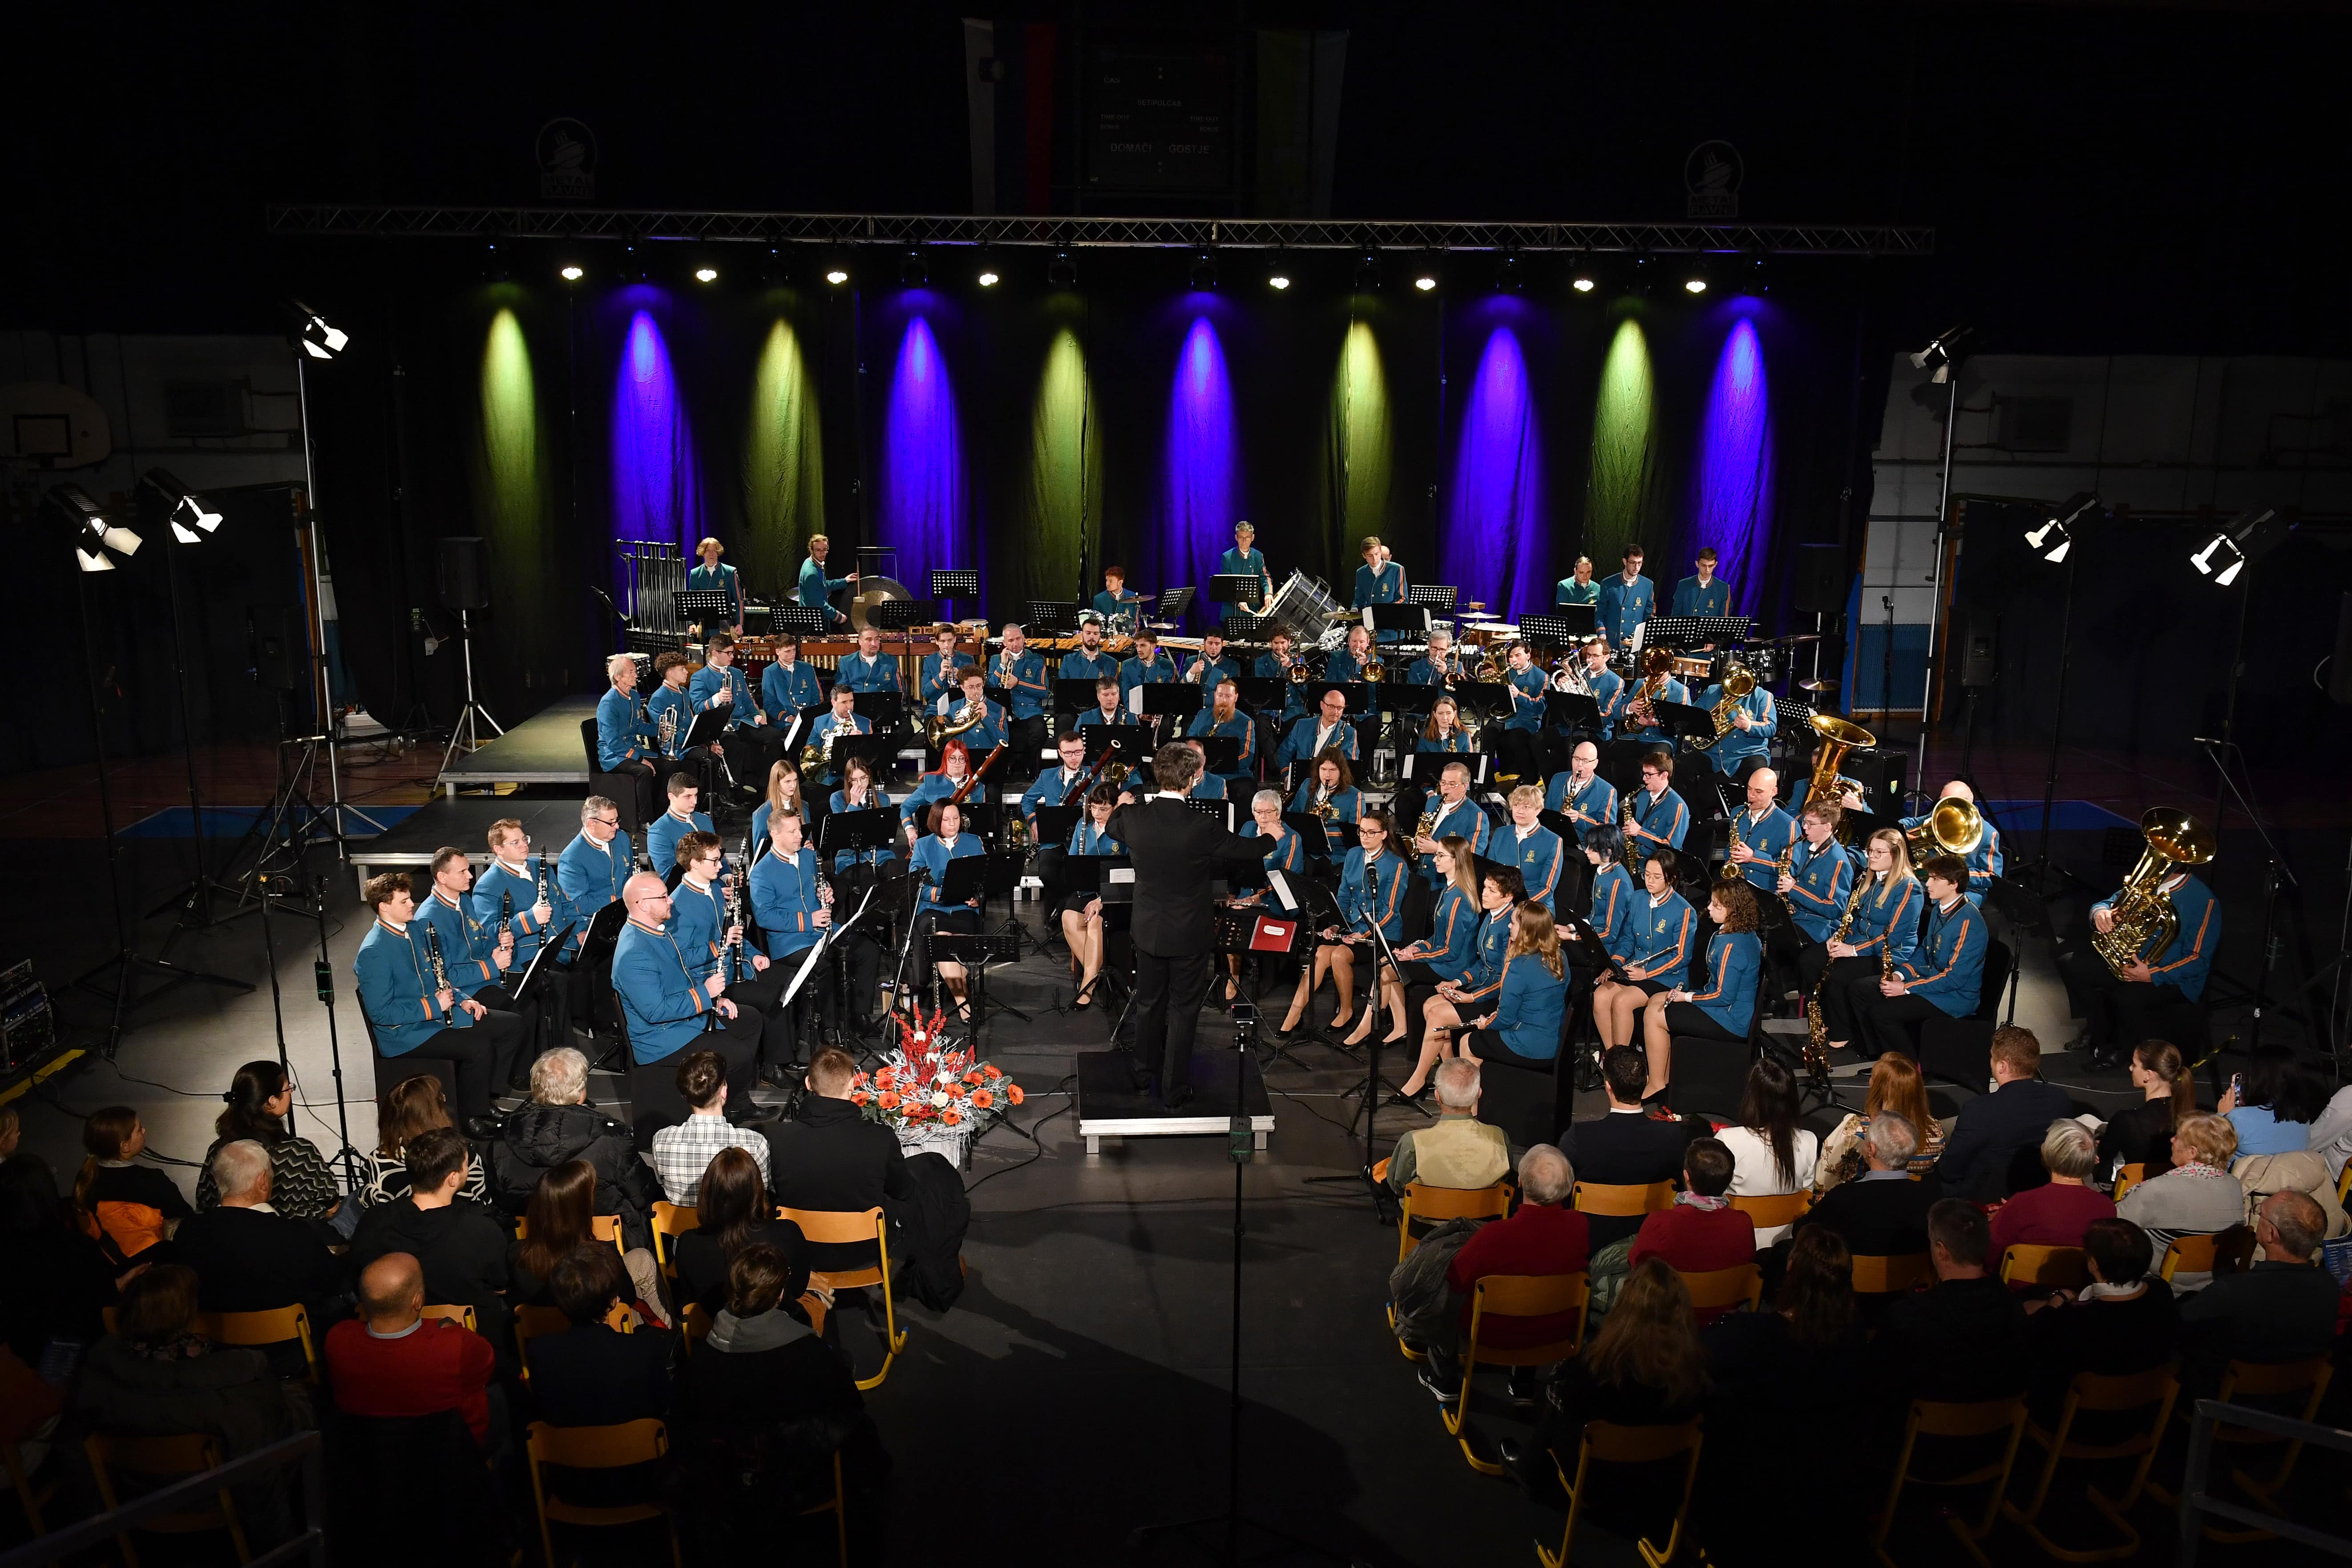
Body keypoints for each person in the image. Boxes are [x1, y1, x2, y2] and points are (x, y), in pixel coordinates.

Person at [673, 1244, 889, 1556]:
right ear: (778, 1296)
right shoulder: (808, 1352)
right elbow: (850, 1408)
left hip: (723, 1486)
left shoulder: (703, 1358)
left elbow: (684, 1420)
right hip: (798, 1482)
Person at [73, 1263, 309, 1546]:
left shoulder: (95, 1378)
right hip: (212, 1499)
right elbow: (260, 1482)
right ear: (187, 1316)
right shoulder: (236, 1392)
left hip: (134, 1500)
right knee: (300, 1402)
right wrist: (279, 1545)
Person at [1105, 744, 1270, 1103]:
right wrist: (1273, 835)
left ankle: (1141, 1072)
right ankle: (1174, 1088)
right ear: (1194, 779)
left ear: (1157, 775)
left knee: (1149, 1003)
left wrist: (1124, 802)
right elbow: (1246, 849)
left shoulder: (1134, 819)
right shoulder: (1200, 825)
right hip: (1190, 934)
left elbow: (1113, 824)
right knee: (1183, 1009)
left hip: (1148, 929)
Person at [1697, 1227, 1869, 1557]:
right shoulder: (1855, 1338)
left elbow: (1698, 1361)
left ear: (1791, 1269)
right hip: (1825, 1505)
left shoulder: (1751, 1336)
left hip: (1749, 1506)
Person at [355, 873, 525, 1131]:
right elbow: (380, 1013)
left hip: (437, 1016)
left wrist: (463, 999)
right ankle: (472, 1117)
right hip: (407, 1034)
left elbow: (437, 976)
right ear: (384, 906)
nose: (412, 904)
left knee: (511, 1025)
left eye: (410, 898)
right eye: (404, 901)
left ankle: (485, 1098)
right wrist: (434, 1007)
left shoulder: (413, 929)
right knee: (479, 1047)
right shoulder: (374, 952)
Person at [1516, 1257, 1705, 1486]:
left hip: (1595, 1482)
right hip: (1659, 1486)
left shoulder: (1598, 1366)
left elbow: (1567, 1403)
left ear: (1626, 1303)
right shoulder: (1695, 1373)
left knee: (1557, 1408)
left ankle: (1528, 1470)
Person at [612, 871, 765, 1146]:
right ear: (643, 905)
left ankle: (734, 1102)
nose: (671, 901)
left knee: (750, 1019)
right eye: (663, 897)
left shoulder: (656, 932)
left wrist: (715, 1001)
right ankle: (717, 1108)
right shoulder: (634, 951)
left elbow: (682, 974)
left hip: (684, 1018)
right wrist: (705, 995)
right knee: (740, 1056)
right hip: (662, 1037)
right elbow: (655, 1012)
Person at [1423, 1145, 1588, 1398]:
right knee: (1540, 1294)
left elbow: (1455, 1280)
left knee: (1441, 1293)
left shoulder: (1494, 1236)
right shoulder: (1580, 1227)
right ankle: (1523, 1384)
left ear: (1520, 1182)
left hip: (1489, 1335)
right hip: (1552, 1335)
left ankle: (1443, 1378)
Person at [347, 1128, 515, 1360]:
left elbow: (358, 1276)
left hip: (390, 1349)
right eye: (466, 1165)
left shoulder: (374, 1220)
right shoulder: (481, 1230)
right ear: (453, 1178)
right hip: (465, 1347)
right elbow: (500, 1284)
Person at [2061, 846, 2219, 1067]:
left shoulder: (2204, 901)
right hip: (2130, 962)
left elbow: (2198, 959)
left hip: (2171, 977)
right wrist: (2100, 914)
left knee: (2126, 998)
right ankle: (2098, 1030)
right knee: (2070, 964)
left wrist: (2152, 975)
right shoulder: (2147, 883)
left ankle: (2123, 1052)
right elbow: (2108, 903)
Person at [326, 1250, 497, 1451]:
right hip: (451, 1461)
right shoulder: (457, 1346)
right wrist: (451, 1331)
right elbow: (487, 1365)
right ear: (417, 1301)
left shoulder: (337, 1340)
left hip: (369, 1461)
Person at [487, 1047, 659, 1247]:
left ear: (536, 1090)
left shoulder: (502, 1139)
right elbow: (643, 1194)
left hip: (532, 1244)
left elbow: (500, 1201)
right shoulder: (613, 1138)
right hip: (605, 1244)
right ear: (581, 1094)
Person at [764, 1047, 917, 1271]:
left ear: (808, 1084)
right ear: (853, 1084)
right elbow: (903, 1191)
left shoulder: (780, 1138)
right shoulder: (879, 1138)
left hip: (798, 1251)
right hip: (865, 1251)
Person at [2020, 1218, 2181, 1430]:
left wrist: (2058, 1300)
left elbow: (2034, 1334)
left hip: (2079, 1425)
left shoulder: (2074, 1323)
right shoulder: (2162, 1295)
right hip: (2141, 1420)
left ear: (2093, 1263)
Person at [1871, 1199, 2029, 1404]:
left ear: (1940, 1250)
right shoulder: (2014, 1310)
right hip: (1999, 1431)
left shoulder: (1910, 1316)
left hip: (1920, 1432)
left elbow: (1876, 1377)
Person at [2177, 1191, 2337, 1391]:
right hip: (2294, 1402)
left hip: (2223, 1403)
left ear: (2271, 1234)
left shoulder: (2232, 1291)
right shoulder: (2330, 1287)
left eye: (2261, 1213)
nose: (2257, 1217)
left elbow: (2179, 1324)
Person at [166, 1140, 340, 1317]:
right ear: (263, 1180)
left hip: (211, 1340)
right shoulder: (295, 1234)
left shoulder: (187, 1232)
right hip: (289, 1340)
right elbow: (334, 1283)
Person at [672, 829, 796, 1075]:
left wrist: (754, 954)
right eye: (715, 861)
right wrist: (720, 945)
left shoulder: (715, 891)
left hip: (737, 966)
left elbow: (735, 934)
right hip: (712, 979)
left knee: (789, 980)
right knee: (774, 997)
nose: (721, 866)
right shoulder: (679, 904)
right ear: (695, 863)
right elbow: (682, 958)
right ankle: (772, 1068)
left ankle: (783, 1055)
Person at [1560, 1047, 1705, 1251]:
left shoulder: (1580, 1137)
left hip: (1590, 1243)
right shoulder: (1672, 1137)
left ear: (1607, 1086)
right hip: (1651, 1243)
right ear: (1646, 1080)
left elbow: (1558, 1193)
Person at [525, 1244, 675, 1433]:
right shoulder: (642, 1348)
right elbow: (662, 1404)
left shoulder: (538, 1352)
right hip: (635, 1453)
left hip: (568, 1456)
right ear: (613, 1301)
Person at [1853, 853, 1988, 1060]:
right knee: (1861, 989)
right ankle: (1879, 1056)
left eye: (1935, 879)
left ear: (1953, 884)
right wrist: (1900, 975)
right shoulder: (1940, 909)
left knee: (1882, 1013)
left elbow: (1954, 978)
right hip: (1930, 981)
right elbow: (1925, 951)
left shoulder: (1968, 922)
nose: (1928, 883)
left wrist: (1905, 989)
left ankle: (1910, 1067)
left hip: (1954, 997)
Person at [1645, 879, 1762, 1096]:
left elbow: (1723, 996)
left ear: (1733, 911)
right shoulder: (1733, 934)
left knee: (1654, 1015)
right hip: (1720, 1005)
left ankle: (1657, 1083)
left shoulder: (1733, 946)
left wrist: (1686, 997)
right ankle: (1665, 1075)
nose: (1709, 908)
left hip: (1730, 1019)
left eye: (1717, 905)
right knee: (1656, 999)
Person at [509, 1160, 663, 1321]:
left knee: (642, 1258)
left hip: (547, 1336)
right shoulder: (603, 1257)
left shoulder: (516, 1254)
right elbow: (628, 1297)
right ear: (579, 1213)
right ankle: (670, 1339)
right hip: (596, 1327)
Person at [1409, 864, 1523, 1080]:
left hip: (1496, 997)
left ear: (1508, 897)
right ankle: (1451, 1070)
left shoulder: (1510, 925)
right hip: (1480, 987)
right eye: (1485, 887)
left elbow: (1506, 979)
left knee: (1437, 1015)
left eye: (1492, 890)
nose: (1484, 893)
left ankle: (1419, 1079)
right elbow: (1481, 964)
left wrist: (1471, 997)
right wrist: (1457, 983)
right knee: (1429, 1005)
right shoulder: (1490, 917)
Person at [195, 1059, 344, 1224]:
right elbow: (331, 1205)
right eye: (288, 1089)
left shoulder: (218, 1150)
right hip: (294, 1239)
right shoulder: (298, 1151)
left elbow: (204, 1202)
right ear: (272, 1101)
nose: (291, 1093)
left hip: (227, 1236)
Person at [1590, 850, 1696, 1082]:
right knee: (1601, 995)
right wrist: (1615, 964)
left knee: (1622, 1001)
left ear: (1670, 879)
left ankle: (1625, 1068)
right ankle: (1613, 1060)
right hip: (1635, 969)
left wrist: (1647, 973)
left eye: (1657, 877)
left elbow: (1681, 957)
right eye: (1647, 875)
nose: (1650, 880)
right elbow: (1628, 938)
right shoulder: (1638, 898)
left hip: (1665, 977)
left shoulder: (1684, 910)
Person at [1935, 1026, 2074, 1201]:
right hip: (2042, 1187)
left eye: (1992, 1059)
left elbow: (1952, 1168)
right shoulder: (2060, 1099)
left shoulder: (1980, 1109)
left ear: (2002, 1066)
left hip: (1989, 1195)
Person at [746, 813, 846, 1053]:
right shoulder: (762, 872)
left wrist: (827, 893)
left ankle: (854, 1020)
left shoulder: (810, 857)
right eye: (792, 832)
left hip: (822, 932)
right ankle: (828, 1029)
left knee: (864, 947)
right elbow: (765, 916)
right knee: (825, 961)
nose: (800, 836)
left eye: (799, 830)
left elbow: (817, 888)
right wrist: (807, 921)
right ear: (775, 835)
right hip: (789, 943)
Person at [671, 1145, 808, 1318]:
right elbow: (799, 1289)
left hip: (716, 1331)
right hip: (779, 1326)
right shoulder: (788, 1233)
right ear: (757, 1190)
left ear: (708, 1194)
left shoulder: (687, 1243)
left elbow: (691, 1295)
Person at [1818, 828, 1923, 1055]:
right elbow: (1857, 920)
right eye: (1870, 851)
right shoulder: (1873, 881)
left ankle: (1845, 1033)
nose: (1872, 857)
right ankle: (1839, 1025)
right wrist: (1839, 939)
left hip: (1891, 955)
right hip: (1866, 946)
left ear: (1895, 856)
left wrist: (1853, 950)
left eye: (1878, 852)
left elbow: (1893, 938)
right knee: (1821, 962)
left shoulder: (1908, 887)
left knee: (1838, 975)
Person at [472, 817, 568, 1061]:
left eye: (524, 839)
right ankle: (551, 1061)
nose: (524, 845)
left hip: (556, 946)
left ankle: (566, 1056)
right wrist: (530, 919)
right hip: (523, 958)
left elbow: (562, 903)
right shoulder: (488, 885)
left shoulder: (539, 867)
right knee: (556, 986)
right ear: (498, 850)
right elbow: (489, 931)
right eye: (515, 842)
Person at [1629, 1138, 1757, 1323]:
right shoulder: (1743, 1223)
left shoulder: (1661, 1222)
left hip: (1668, 1320)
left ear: (1687, 1176)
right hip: (1722, 1320)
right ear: (1730, 1178)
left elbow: (1637, 1268)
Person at [1, 1154, 114, 1362]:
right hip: (78, 1355)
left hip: (21, 1354)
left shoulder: (10, 1252)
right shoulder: (74, 1245)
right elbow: (105, 1293)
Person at [2115, 1111, 2245, 1284]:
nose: (2172, 1140)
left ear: (2192, 1153)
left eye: (2178, 1137)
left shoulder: (2158, 1189)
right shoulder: (2235, 1185)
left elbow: (2116, 1228)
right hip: (2220, 1279)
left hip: (2164, 1283)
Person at [1790, 1112, 1938, 1257]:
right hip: (1913, 1281)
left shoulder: (1843, 1198)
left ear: (1870, 1150)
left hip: (1854, 1280)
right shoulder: (1932, 1201)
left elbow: (1802, 1231)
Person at [1322, 810, 1411, 1049]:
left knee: (1340, 954)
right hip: (1354, 929)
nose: (1365, 837)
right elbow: (1343, 895)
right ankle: (1345, 1010)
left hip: (1384, 934)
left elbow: (1391, 911)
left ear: (1384, 835)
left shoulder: (1396, 865)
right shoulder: (1353, 855)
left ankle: (1360, 1022)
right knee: (1326, 952)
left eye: (1371, 833)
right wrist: (1336, 924)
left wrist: (1363, 934)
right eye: (1362, 831)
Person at [1453, 899, 1569, 1074]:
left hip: (1526, 1046)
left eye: (1513, 923)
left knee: (1467, 1042)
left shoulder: (1518, 966)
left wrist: (1486, 1024)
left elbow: (1506, 1019)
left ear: (1526, 931)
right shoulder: (1561, 957)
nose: (1509, 927)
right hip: (1555, 1045)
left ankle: (1471, 1099)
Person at [1716, 1056, 1818, 1244]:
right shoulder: (1809, 1142)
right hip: (1786, 1247)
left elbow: (1713, 1200)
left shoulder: (1728, 1140)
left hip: (1735, 1245)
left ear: (1751, 1097)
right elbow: (1807, 1200)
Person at [651, 1049, 773, 1206]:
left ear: (685, 1095)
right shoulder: (755, 1144)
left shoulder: (662, 1141)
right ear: (724, 1092)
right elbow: (762, 1193)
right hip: (736, 1229)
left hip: (680, 1229)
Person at [1988, 1120, 2117, 1265]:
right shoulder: (2107, 1208)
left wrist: (2004, 1216)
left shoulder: (2022, 1203)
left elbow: (1989, 1255)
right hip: (2083, 1285)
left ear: (2047, 1156)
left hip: (2021, 1287)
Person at [1815, 1051, 1947, 1190]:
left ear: (1879, 1089)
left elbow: (1824, 1181)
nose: (1869, 1082)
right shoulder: (1935, 1131)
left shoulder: (1855, 1130)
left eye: (1873, 1078)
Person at [360, 1074, 489, 1211]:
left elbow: (370, 1205)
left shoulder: (378, 1160)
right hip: (458, 1229)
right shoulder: (461, 1154)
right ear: (433, 1112)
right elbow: (480, 1202)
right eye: (441, 1099)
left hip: (396, 1230)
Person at [907, 797, 986, 1018]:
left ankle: (963, 998)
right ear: (936, 822)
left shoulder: (973, 842)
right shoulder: (923, 845)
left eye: (956, 818)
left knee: (958, 945)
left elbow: (985, 877)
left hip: (964, 909)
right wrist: (937, 894)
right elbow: (915, 884)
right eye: (947, 820)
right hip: (933, 910)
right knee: (942, 940)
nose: (953, 824)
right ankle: (964, 1004)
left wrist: (979, 897)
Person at [1383, 1059, 1509, 1192]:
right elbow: (1505, 1179)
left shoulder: (1414, 1143)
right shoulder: (1499, 1138)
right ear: (1479, 1094)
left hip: (1427, 1212)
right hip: (1486, 1212)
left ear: (1437, 1096)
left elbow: (1398, 1185)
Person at [1060, 784, 1124, 1008]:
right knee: (1069, 917)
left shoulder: (1123, 828)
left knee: (1095, 921)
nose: (1096, 814)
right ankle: (1097, 972)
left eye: (1103, 809)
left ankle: (1087, 985)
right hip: (1086, 889)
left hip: (1113, 893)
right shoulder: (1083, 825)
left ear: (1115, 807)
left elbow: (1128, 871)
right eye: (1094, 808)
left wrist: (1102, 899)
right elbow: (1073, 861)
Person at [690, 629, 780, 787]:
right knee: (734, 746)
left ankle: (764, 782)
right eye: (729, 653)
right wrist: (716, 699)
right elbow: (698, 708)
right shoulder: (700, 677)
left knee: (775, 737)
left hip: (741, 721)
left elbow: (746, 699)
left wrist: (756, 715)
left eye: (733, 653)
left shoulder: (736, 673)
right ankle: (729, 792)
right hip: (719, 728)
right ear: (715, 653)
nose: (733, 657)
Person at [1779, 800, 1854, 989]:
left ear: (1828, 827)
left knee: (1774, 941)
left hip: (1819, 927)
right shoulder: (1806, 846)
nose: (1804, 828)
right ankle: (1775, 994)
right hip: (1797, 917)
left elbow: (1835, 909)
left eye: (1810, 824)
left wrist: (1794, 889)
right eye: (1804, 822)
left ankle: (1779, 997)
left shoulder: (1838, 862)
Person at [554, 795, 635, 963]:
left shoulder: (621, 838)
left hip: (628, 917)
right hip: (598, 928)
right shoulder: (572, 858)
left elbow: (629, 876)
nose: (617, 826)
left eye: (617, 819)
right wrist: (623, 899)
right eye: (611, 822)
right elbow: (580, 904)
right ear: (592, 823)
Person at [2098, 1038, 2193, 1181]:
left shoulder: (2127, 1120)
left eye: (2135, 1065)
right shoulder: (2189, 1116)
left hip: (2135, 1188)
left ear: (2148, 1076)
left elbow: (2104, 1155)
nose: (2130, 1068)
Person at [1898, 779, 2002, 905]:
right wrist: (1899, 828)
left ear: (1965, 805)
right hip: (1930, 883)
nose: (1942, 806)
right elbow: (1915, 823)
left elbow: (1992, 876)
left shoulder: (1988, 833)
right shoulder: (1942, 812)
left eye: (1948, 802)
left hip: (1964, 890)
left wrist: (1956, 874)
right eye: (1941, 801)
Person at [2217, 1043, 2327, 1156]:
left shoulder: (2238, 1118)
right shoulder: (2302, 1118)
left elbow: (2211, 1150)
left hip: (2243, 1173)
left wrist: (2222, 1116)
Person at [646, 650, 721, 804]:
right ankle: (700, 803)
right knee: (710, 759)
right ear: (671, 673)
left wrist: (707, 743)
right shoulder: (659, 697)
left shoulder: (684, 692)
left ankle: (709, 800)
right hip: (675, 747)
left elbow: (692, 722)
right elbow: (663, 731)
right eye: (682, 669)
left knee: (713, 756)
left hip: (688, 743)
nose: (687, 672)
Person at [595, 652, 661, 824]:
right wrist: (640, 759)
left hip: (631, 749)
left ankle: (660, 812)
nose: (636, 675)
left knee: (665, 764)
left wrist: (661, 730)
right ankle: (645, 820)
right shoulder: (609, 702)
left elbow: (639, 726)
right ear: (618, 677)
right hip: (613, 756)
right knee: (644, 770)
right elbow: (613, 742)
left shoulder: (635, 696)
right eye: (631, 672)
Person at [1721, 768, 1795, 895]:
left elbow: (1790, 869)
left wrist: (1753, 858)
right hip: (1737, 887)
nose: (1751, 796)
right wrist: (1730, 858)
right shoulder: (1738, 813)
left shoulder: (1788, 824)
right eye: (1749, 789)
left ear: (1774, 792)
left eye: (1759, 792)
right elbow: (1730, 847)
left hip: (1766, 893)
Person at [990, 622, 1050, 778]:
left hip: (1030, 711)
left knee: (1040, 732)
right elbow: (991, 687)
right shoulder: (996, 660)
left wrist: (1019, 684)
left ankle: (1026, 763)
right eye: (1010, 641)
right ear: (1004, 642)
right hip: (1005, 711)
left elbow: (1044, 692)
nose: (1015, 644)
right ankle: (1007, 766)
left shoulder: (1036, 660)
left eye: (1018, 639)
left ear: (1024, 639)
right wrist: (1002, 665)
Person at [828, 752, 900, 883]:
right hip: (851, 857)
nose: (860, 784)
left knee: (896, 875)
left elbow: (888, 838)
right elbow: (844, 835)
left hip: (880, 855)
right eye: (854, 780)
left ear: (869, 778)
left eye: (863, 778)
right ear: (848, 781)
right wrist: (854, 803)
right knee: (867, 880)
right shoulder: (837, 798)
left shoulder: (883, 799)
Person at [1494, 783, 1564, 911]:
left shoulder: (1553, 841)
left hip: (1535, 909)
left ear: (1538, 810)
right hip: (1500, 904)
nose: (1520, 811)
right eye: (1516, 805)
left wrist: (1520, 908)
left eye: (1526, 807)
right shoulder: (1500, 833)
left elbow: (1547, 888)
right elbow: (1490, 874)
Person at [1287, 748, 1362, 858]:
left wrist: (1319, 834)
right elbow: (1292, 815)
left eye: (1332, 770)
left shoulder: (1355, 796)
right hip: (1305, 853)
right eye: (1323, 769)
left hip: (1336, 856)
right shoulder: (1306, 786)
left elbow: (1356, 835)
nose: (1327, 775)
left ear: (1341, 771)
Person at [1187, 676, 1257, 792]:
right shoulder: (1202, 715)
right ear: (1215, 695)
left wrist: (1221, 765)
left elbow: (1247, 756)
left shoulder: (1246, 722)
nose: (1223, 700)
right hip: (1202, 774)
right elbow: (1189, 744)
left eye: (1228, 696)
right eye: (1220, 696)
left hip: (1234, 776)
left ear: (1236, 697)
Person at [1621, 748, 1690, 862]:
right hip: (1638, 857)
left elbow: (1672, 848)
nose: (1644, 779)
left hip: (1660, 864)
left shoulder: (1678, 806)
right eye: (1644, 774)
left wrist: (1640, 832)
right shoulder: (1643, 796)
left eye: (1649, 775)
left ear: (1664, 775)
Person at [1276, 684, 1360, 779]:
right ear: (1322, 705)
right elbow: (1285, 751)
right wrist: (1287, 775)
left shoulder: (1350, 733)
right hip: (1303, 781)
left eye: (1340, 708)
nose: (1336, 712)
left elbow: (1352, 768)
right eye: (1331, 707)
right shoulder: (1302, 725)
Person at [1493, 641, 1549, 782]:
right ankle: (1488, 780)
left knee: (1515, 737)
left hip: (1528, 720)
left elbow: (1541, 707)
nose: (1513, 660)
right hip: (1506, 718)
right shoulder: (1507, 672)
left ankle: (1529, 778)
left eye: (1518, 656)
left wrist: (1519, 695)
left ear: (1528, 655)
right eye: (1511, 656)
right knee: (1489, 732)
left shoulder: (1542, 676)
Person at [644, 769, 715, 875]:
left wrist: (727, 877)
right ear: (672, 797)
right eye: (688, 797)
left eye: (696, 795)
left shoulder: (704, 820)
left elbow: (717, 855)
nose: (695, 801)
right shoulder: (659, 831)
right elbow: (669, 875)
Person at [804, 680, 871, 792]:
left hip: (852, 777)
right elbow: (811, 748)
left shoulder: (865, 723)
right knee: (806, 790)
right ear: (833, 703)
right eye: (844, 703)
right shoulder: (820, 721)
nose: (849, 706)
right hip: (827, 776)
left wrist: (861, 741)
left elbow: (871, 757)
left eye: (851, 701)